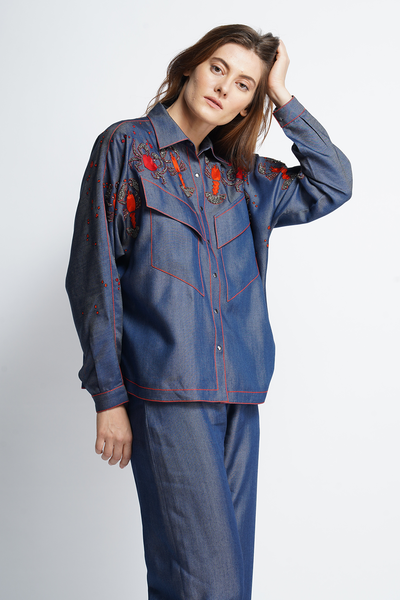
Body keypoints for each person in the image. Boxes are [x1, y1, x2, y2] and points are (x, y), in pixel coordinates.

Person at [66, 24, 352, 600]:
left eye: (245, 84)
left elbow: (333, 182)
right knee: (208, 585)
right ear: (191, 67)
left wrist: (283, 95)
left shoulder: (245, 176)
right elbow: (94, 277)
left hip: (240, 396)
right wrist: (109, 397)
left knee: (225, 587)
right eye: (219, 68)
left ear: (250, 103)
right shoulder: (129, 148)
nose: (225, 87)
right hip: (168, 395)